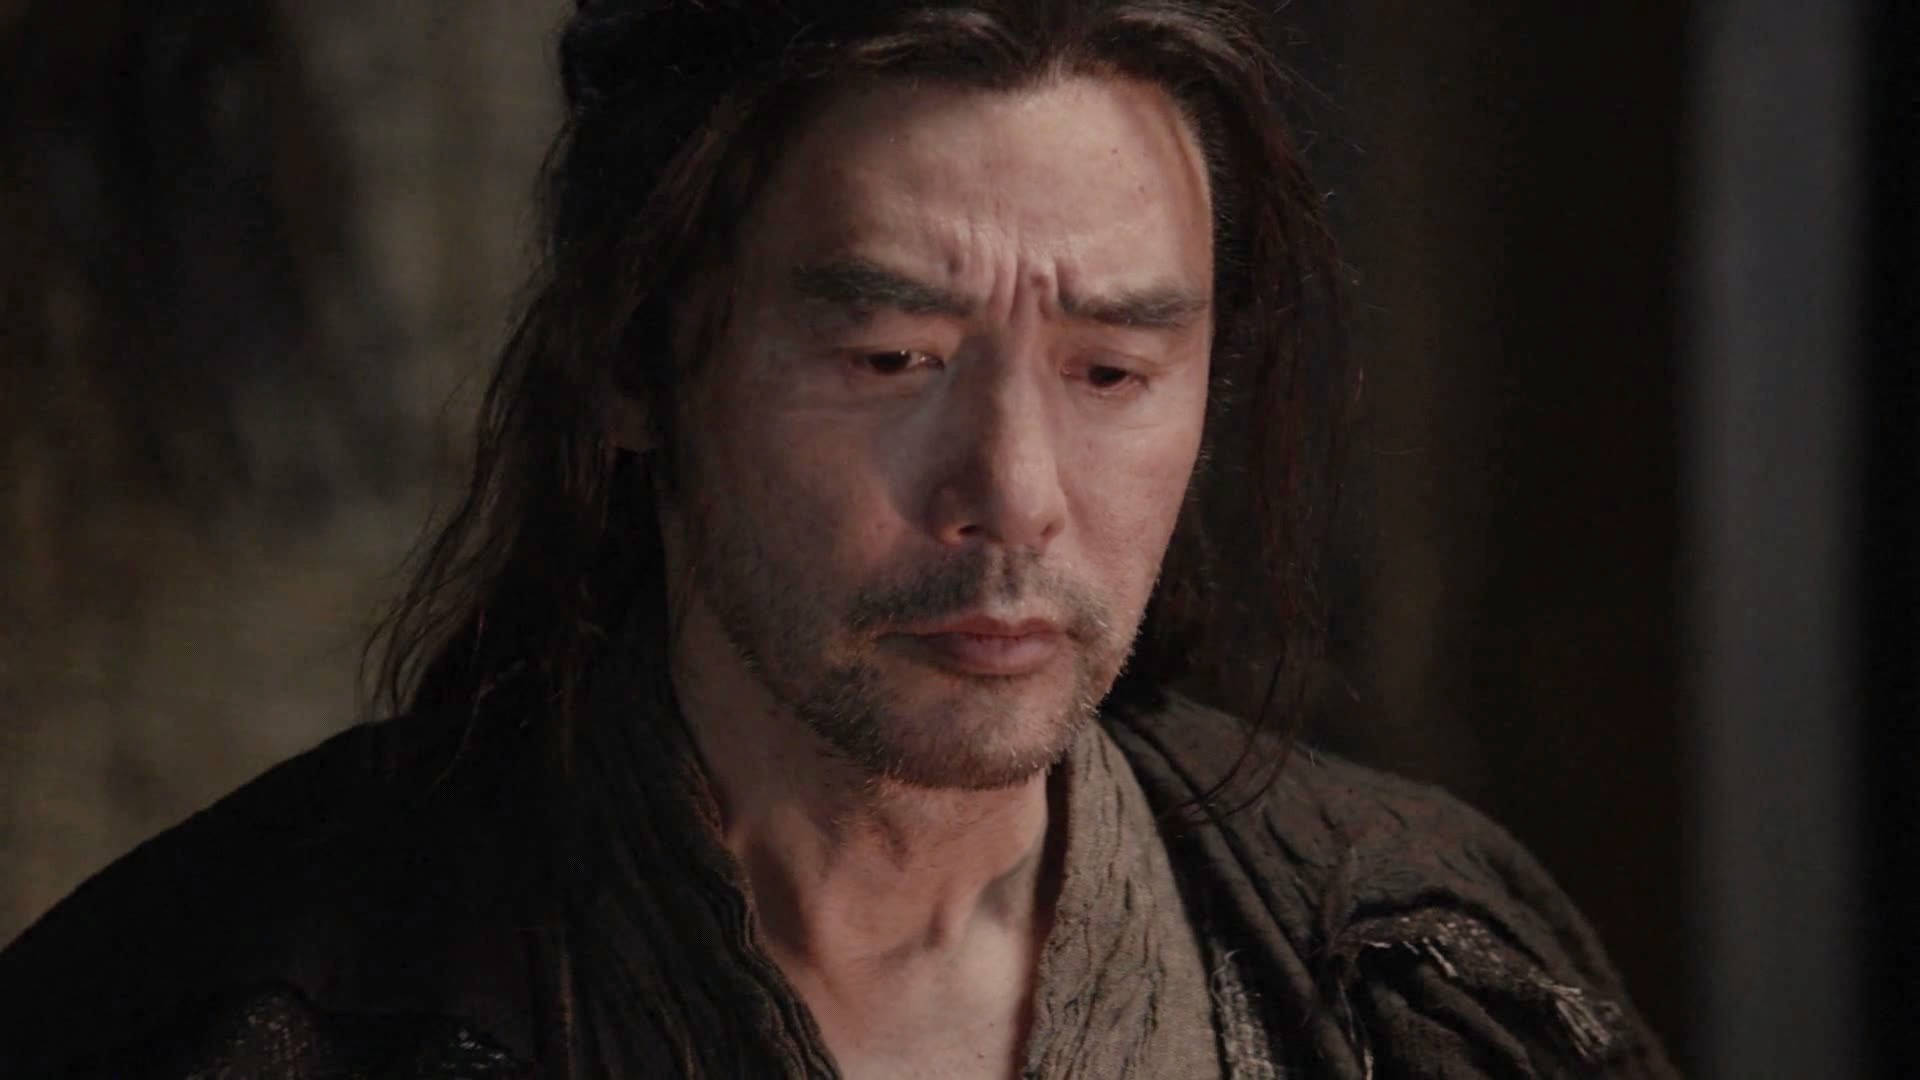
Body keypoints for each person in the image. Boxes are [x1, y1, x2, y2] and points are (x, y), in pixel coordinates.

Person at [0, 1, 1677, 1076]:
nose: (1013, 490)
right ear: (638, 359)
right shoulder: (225, 1004)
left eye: (1112, 370)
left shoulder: (1427, 982)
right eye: (890, 359)